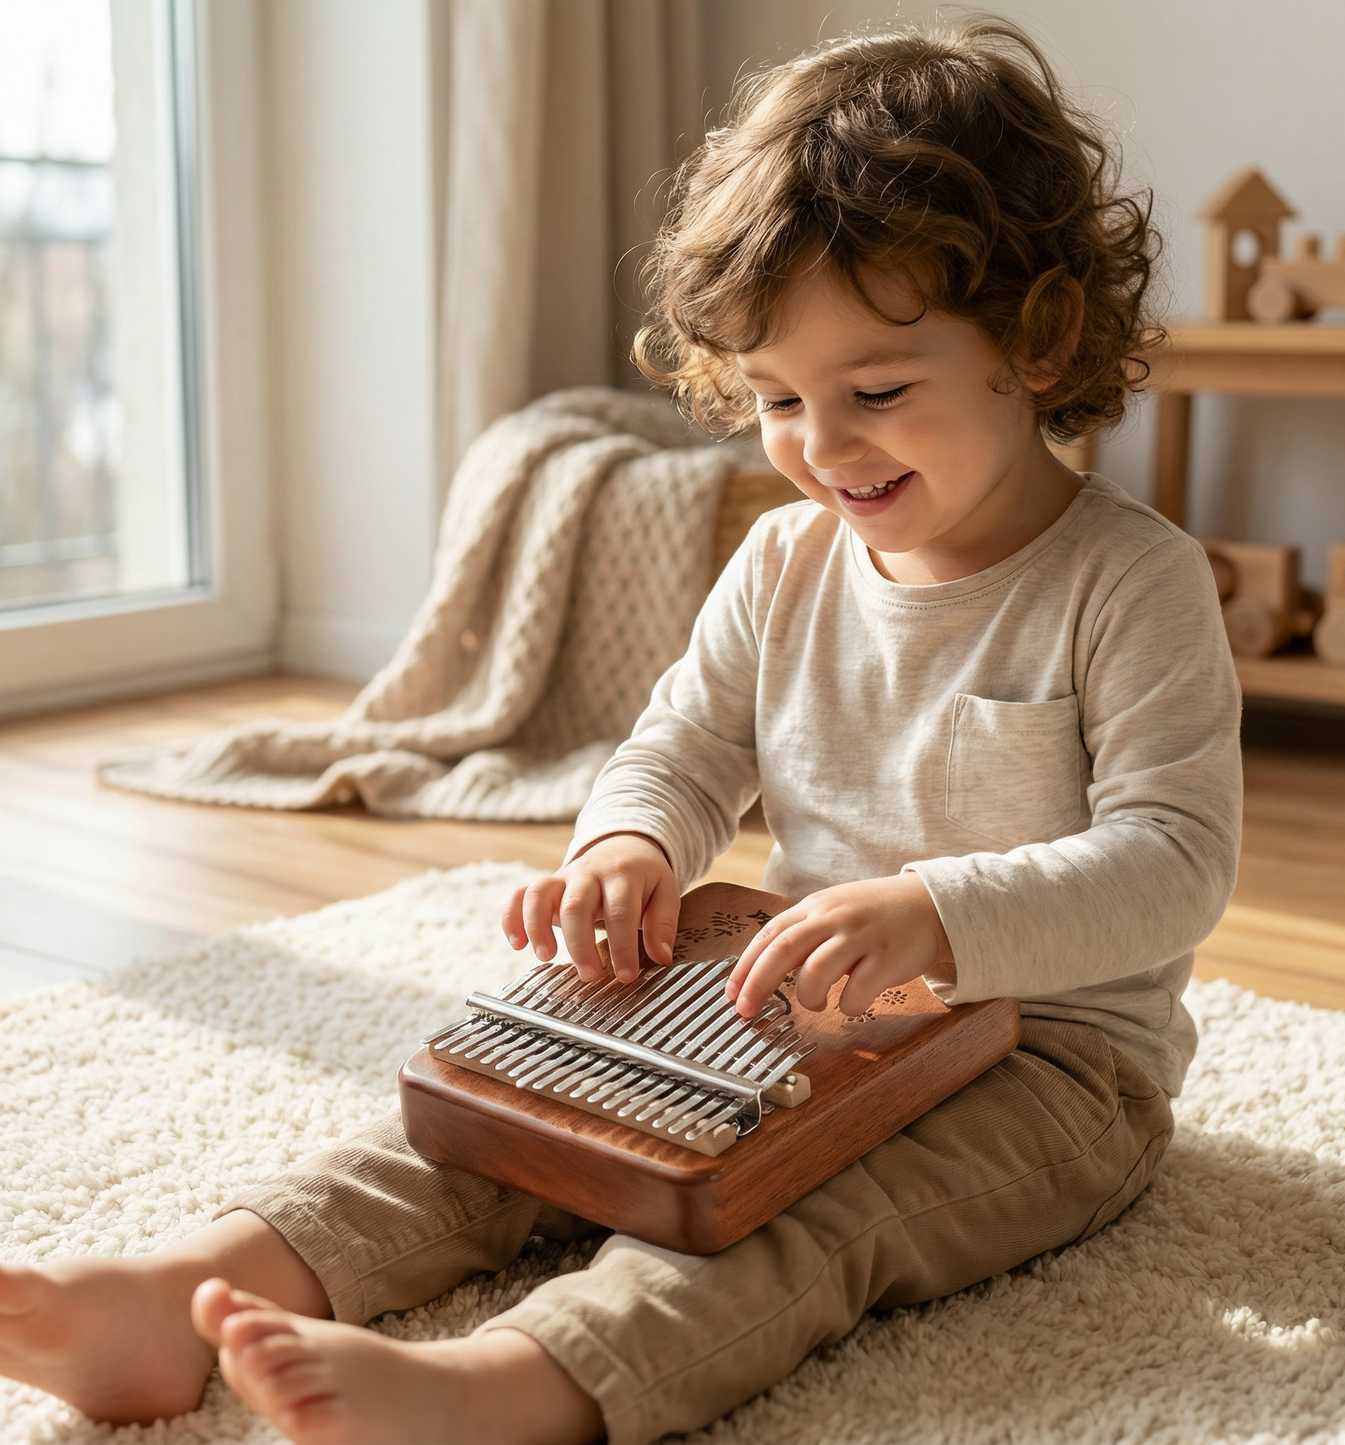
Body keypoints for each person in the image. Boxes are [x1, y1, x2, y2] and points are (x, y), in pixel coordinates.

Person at [0, 19, 1241, 1445]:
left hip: (1051, 1067)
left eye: (878, 393)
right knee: (509, 1122)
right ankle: (184, 1295)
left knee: (799, 1220)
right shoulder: (781, 566)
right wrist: (631, 840)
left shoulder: (1131, 580)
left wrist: (938, 915)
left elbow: (1174, 862)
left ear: (1040, 338)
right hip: (801, 1012)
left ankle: (512, 1388)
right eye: (779, 400)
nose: (822, 449)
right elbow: (682, 748)